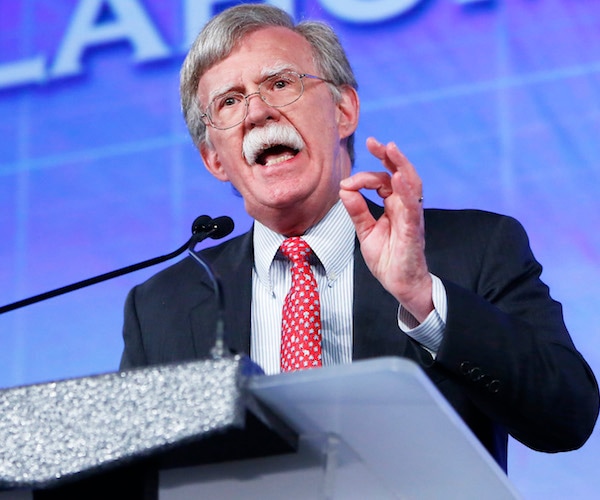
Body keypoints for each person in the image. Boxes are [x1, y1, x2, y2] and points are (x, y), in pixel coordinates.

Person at [120, 4, 599, 471]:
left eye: (280, 84)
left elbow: (566, 418)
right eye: (229, 101)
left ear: (344, 109)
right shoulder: (161, 306)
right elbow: (128, 474)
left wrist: (423, 297)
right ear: (214, 160)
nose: (258, 112)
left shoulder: (473, 247)